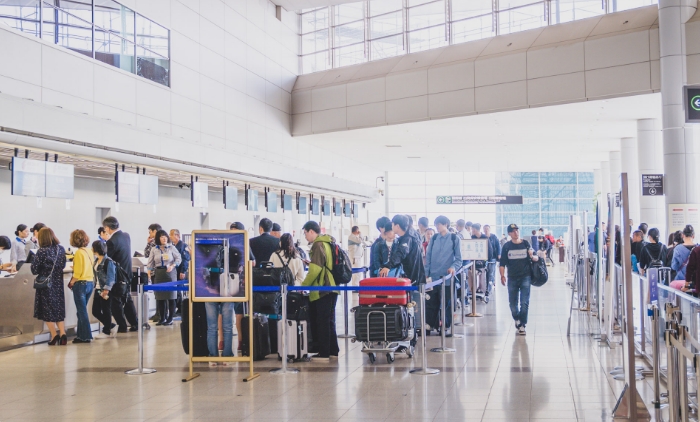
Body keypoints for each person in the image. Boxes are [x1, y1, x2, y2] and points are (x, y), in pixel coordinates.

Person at [301, 221, 339, 361]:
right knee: (329, 320)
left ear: (311, 231)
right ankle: (333, 350)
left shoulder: (318, 244)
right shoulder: (327, 242)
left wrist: (303, 285)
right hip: (332, 286)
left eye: (305, 233)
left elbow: (315, 270)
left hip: (323, 287)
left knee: (322, 320)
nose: (305, 236)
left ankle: (324, 352)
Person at [424, 216, 461, 336]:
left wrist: (453, 268)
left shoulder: (455, 238)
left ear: (445, 224)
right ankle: (430, 325)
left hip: (447, 278)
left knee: (446, 303)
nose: (437, 227)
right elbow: (428, 257)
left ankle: (445, 326)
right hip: (433, 277)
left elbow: (459, 259)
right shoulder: (434, 238)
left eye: (439, 224)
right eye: (436, 224)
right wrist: (426, 274)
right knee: (431, 303)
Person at [31, 227, 68, 345]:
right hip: (58, 284)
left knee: (47, 311)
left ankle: (54, 336)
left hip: (45, 284)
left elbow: (34, 269)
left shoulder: (41, 251)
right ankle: (63, 334)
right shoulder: (61, 249)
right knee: (58, 309)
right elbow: (62, 265)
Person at [500, 224, 538, 336]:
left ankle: (522, 325)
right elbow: (502, 263)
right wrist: (502, 276)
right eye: (513, 231)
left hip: (525, 277)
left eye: (517, 230)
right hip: (512, 278)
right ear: (509, 234)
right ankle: (517, 318)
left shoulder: (526, 244)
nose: (516, 232)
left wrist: (532, 256)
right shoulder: (506, 246)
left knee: (524, 302)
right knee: (513, 304)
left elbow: (536, 257)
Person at [102, 216, 138, 332]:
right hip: (127, 273)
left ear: (107, 228)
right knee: (127, 299)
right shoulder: (126, 236)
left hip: (118, 276)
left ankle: (122, 326)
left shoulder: (111, 242)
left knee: (115, 301)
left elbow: (107, 260)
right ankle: (134, 323)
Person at [147, 229, 182, 326]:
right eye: (162, 237)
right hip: (159, 273)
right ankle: (162, 318)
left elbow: (179, 258)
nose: (164, 238)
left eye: (165, 236)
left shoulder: (171, 248)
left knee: (171, 296)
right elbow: (150, 262)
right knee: (160, 297)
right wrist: (149, 272)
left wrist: (173, 265)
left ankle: (170, 318)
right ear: (158, 238)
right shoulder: (154, 249)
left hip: (170, 273)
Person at [68, 230, 94, 344]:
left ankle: (86, 336)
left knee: (81, 311)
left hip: (81, 284)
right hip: (90, 282)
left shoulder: (78, 253)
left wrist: (71, 282)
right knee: (81, 311)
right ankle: (80, 335)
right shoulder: (89, 251)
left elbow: (78, 273)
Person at [91, 240, 117, 340]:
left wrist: (106, 289)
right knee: (95, 311)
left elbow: (111, 277)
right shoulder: (96, 261)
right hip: (98, 289)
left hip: (105, 289)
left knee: (106, 310)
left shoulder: (108, 261)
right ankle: (111, 326)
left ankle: (106, 331)